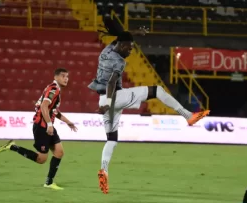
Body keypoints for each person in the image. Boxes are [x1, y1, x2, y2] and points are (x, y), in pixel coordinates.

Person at [88, 22, 210, 194]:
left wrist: (136, 32)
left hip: (102, 100)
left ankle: (104, 170)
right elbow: (112, 82)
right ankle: (188, 115)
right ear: (122, 45)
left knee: (111, 139)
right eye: (129, 48)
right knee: (157, 90)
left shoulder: (107, 51)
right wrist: (109, 102)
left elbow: (122, 36)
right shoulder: (119, 61)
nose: (130, 51)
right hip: (113, 97)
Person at [0, 68, 77, 190]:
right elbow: (44, 105)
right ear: (55, 77)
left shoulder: (54, 89)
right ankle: (12, 146)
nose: (66, 79)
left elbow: (53, 109)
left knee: (59, 152)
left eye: (67, 76)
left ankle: (49, 182)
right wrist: (49, 124)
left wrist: (67, 122)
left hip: (47, 125)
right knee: (41, 159)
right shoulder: (53, 89)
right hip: (42, 127)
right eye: (63, 76)